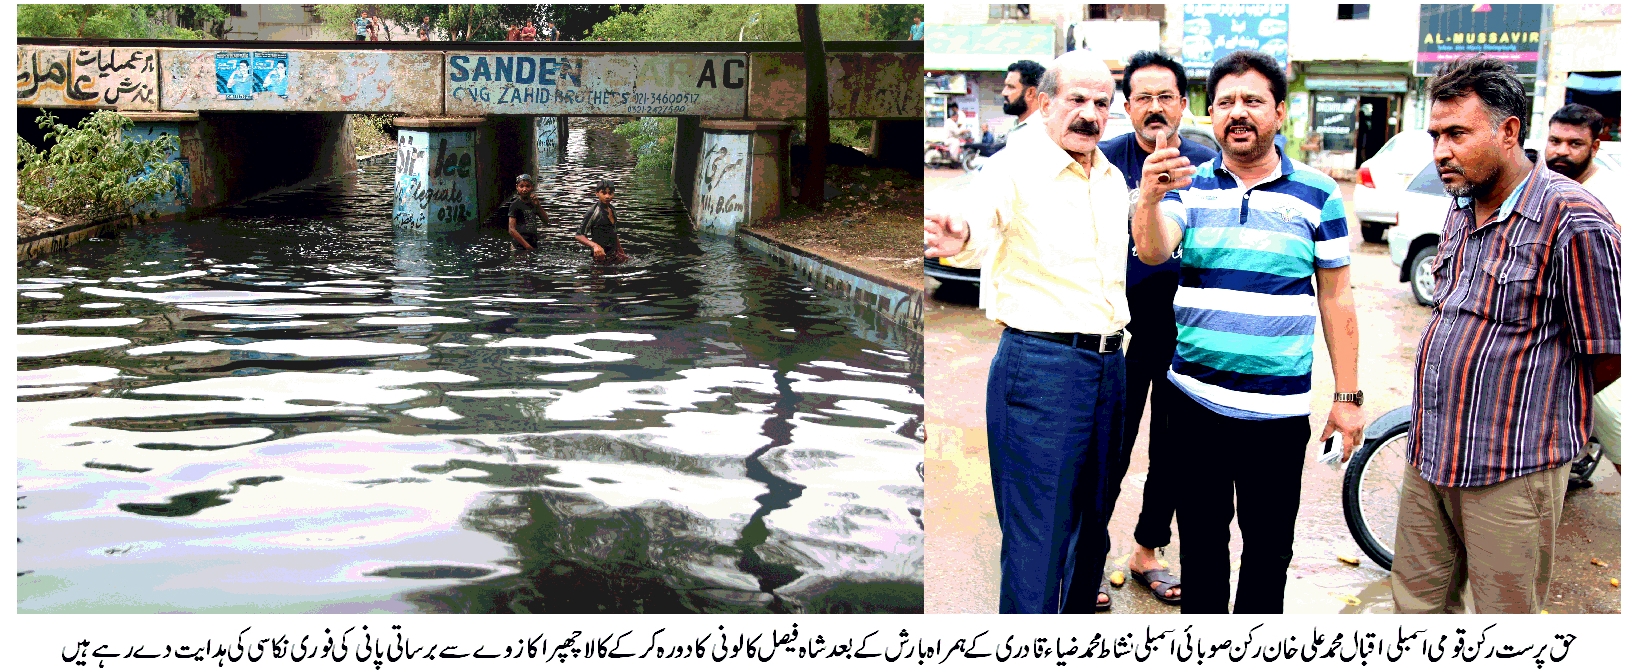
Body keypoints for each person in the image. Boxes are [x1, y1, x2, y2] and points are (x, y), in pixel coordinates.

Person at [1131, 50, 1361, 614]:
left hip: (1277, 420)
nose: (1238, 113)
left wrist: (1347, 397)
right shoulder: (1189, 185)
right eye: (1226, 102)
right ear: (1210, 114)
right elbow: (1154, 249)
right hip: (1195, 405)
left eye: (1253, 101)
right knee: (1203, 556)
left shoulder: (1317, 192)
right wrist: (1149, 196)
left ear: (1279, 112)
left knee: (1267, 557)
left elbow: (1337, 297)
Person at [1392, 57, 1621, 614]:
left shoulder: (1574, 219)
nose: (1441, 151)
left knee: (1505, 622)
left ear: (1509, 131)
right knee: (1414, 611)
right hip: (1431, 455)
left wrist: (1527, 408)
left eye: (1456, 134)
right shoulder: (1461, 204)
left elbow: (1605, 355)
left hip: (1513, 469)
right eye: (1434, 135)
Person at [924, 51, 1132, 614]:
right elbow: (980, 212)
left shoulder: (1109, 176)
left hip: (1111, 368)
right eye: (1077, 100)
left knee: (1090, 536)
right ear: (1044, 103)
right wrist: (959, 232)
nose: (1089, 114)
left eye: (1101, 104)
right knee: (1037, 542)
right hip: (1042, 369)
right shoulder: (1015, 165)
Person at [1093, 49, 1218, 610]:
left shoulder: (1209, 162)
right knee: (1108, 450)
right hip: (1118, 333)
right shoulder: (1102, 161)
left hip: (1187, 334)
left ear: (1184, 105)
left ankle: (1147, 549)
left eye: (1166, 96)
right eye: (1142, 96)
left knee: (1174, 453)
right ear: (1126, 106)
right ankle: (1089, 555)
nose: (1155, 107)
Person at [1545, 103, 1623, 476]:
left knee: (1617, 426)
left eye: (1574, 143)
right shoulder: (1544, 185)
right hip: (1559, 325)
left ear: (1595, 146)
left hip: (1603, 335)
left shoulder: (1609, 195)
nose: (1561, 151)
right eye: (1554, 140)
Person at [578, 179, 626, 263]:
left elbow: (614, 233)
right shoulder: (593, 212)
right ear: (597, 193)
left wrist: (621, 252)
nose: (607, 196)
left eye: (610, 193)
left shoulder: (612, 209)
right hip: (599, 258)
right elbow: (579, 235)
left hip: (613, 255)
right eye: (603, 193)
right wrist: (595, 246)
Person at [1000, 59, 1046, 143]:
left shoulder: (1045, 132)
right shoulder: (1017, 126)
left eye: (1010, 87)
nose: (1004, 93)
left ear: (1030, 93)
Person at [508, 174, 548, 251]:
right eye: (521, 186)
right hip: (519, 246)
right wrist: (527, 247)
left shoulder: (534, 203)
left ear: (532, 187)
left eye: (527, 186)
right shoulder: (515, 204)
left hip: (533, 243)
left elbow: (546, 221)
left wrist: (538, 206)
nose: (524, 189)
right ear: (517, 187)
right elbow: (511, 230)